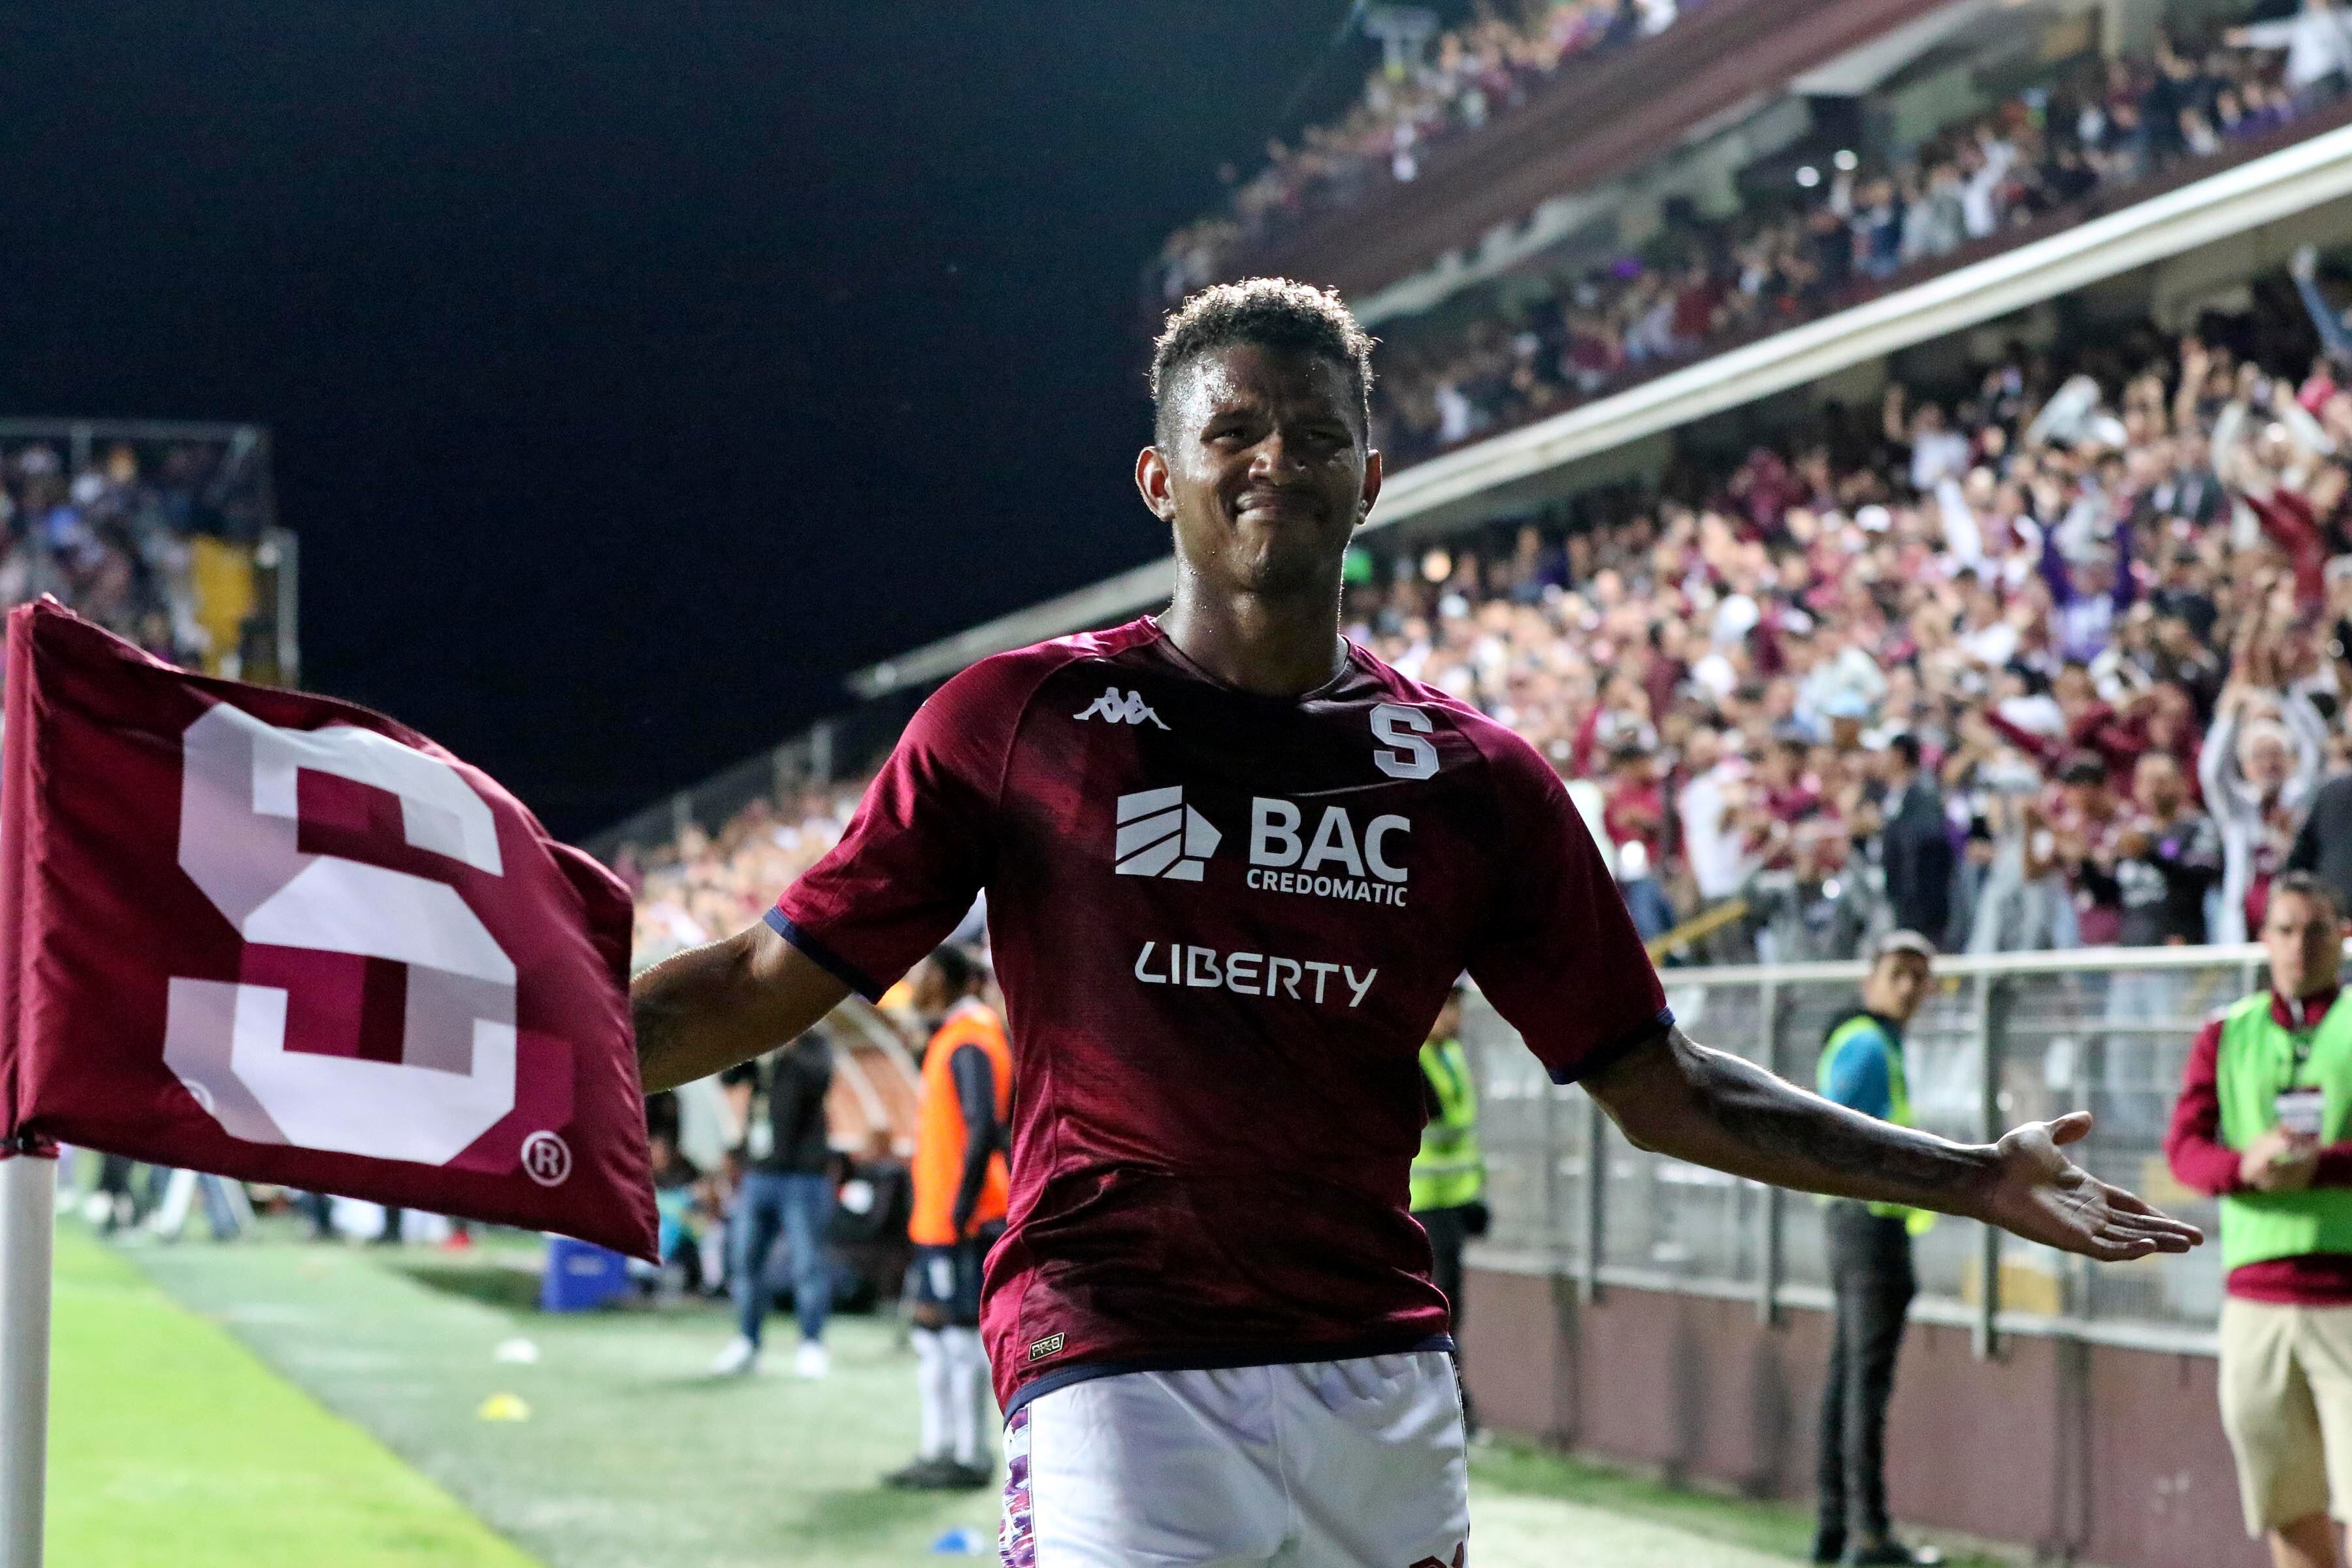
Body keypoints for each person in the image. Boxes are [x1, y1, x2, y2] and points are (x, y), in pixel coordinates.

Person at [629, 279, 2199, 1568]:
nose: (1274, 460)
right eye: (1230, 429)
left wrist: (1972, 1176)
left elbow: (1662, 1086)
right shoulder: (1020, 718)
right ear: (1158, 478)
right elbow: (767, 979)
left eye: (1315, 433)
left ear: (1370, 479)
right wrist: (526, 1058)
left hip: (1381, 1369)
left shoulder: (1476, 776)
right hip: (1115, 1351)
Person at [2166, 874, 2352, 1568]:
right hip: (2255, 1307)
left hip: (2348, 1300)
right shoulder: (2226, 1033)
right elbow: (2185, 1150)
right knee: (2287, 1506)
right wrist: (2246, 1166)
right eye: (2285, 929)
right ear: (2263, 939)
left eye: (2316, 929)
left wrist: (2322, 1165)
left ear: (2342, 935)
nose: (2300, 945)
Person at [1812, 932, 1944, 1567]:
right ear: (1871, 980)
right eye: (1899, 973)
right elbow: (1830, 1128)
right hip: (1867, 1227)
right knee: (1864, 1382)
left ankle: (1838, 1528)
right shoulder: (1866, 1043)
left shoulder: (1873, 1041)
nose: (1910, 987)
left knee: (1849, 1376)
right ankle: (1867, 1533)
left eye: (1920, 976)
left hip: (1861, 1224)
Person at [883, 943, 1013, 1492]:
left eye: (924, 973)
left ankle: (968, 1456)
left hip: (963, 1218)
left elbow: (985, 1125)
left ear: (949, 979)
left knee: (960, 1342)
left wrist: (960, 1209)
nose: (916, 983)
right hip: (940, 1219)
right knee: (934, 1340)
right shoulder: (952, 1037)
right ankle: (939, 1449)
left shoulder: (971, 1038)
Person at [710, 1027, 837, 1379]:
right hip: (760, 1173)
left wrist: (790, 1042)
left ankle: (811, 1344)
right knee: (745, 1259)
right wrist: (749, 1039)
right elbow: (728, 1076)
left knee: (807, 1264)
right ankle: (747, 1342)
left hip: (803, 1175)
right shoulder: (761, 1043)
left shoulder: (815, 1044)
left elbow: (820, 1081)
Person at [1408, 981, 1488, 1437]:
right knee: (1440, 1313)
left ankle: (1455, 1408)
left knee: (1452, 1312)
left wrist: (1475, 1197)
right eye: (1445, 1007)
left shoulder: (1451, 1057)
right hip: (1426, 1209)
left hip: (1453, 1205)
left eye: (1457, 1007)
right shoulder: (1414, 1059)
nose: (1454, 1017)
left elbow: (1463, 1138)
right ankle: (1454, 1410)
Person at [1875, 736, 1953, 947]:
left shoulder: (1925, 795)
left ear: (1899, 756)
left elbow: (1928, 839)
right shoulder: (1887, 794)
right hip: (1896, 896)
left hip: (1919, 903)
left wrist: (1887, 826)